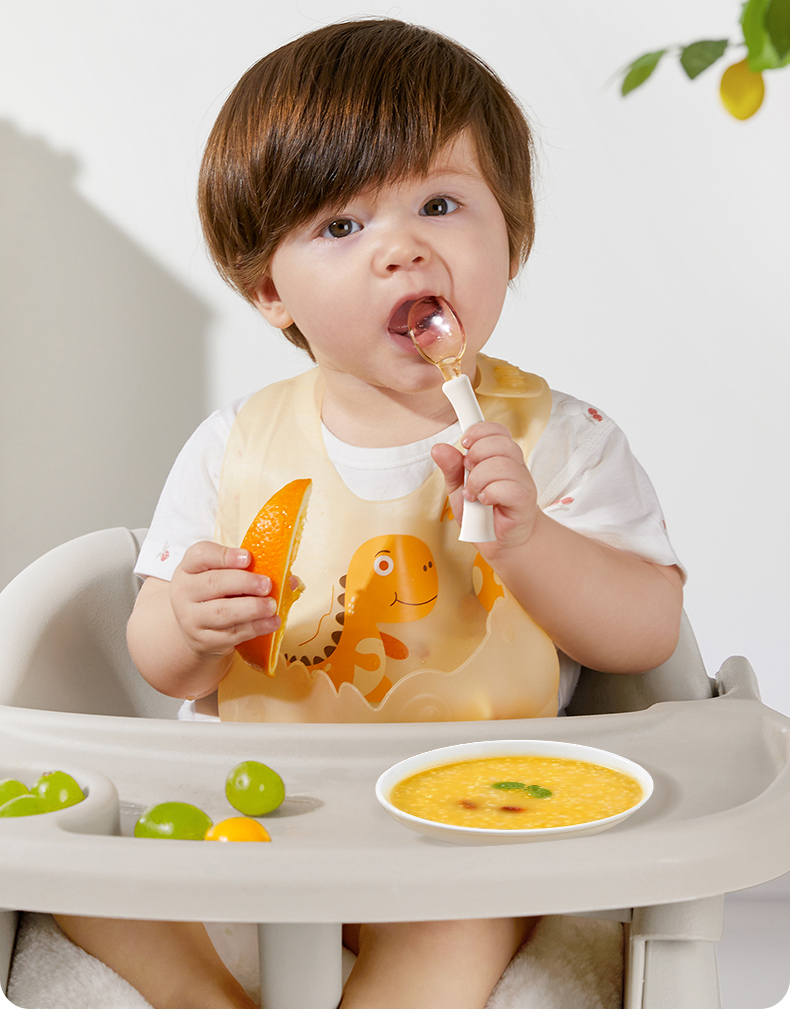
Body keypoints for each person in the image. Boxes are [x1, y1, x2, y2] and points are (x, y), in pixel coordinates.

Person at [55, 17, 684, 1009]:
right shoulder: (235, 445)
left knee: (457, 926)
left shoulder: (562, 440)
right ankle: (206, 997)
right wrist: (187, 622)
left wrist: (530, 541)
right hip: (259, 809)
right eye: (342, 227)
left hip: (465, 825)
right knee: (79, 873)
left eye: (440, 204)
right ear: (271, 289)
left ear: (511, 239)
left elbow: (647, 633)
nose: (402, 249)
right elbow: (163, 663)